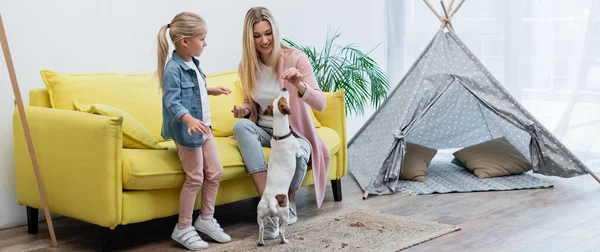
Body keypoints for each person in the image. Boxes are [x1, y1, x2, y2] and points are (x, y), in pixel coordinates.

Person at [231, 6, 331, 239]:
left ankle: (287, 199)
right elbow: (250, 103)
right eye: (257, 35)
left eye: (268, 33)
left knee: (300, 152)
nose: (264, 40)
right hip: (265, 130)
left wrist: (300, 84)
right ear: (249, 38)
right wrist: (244, 110)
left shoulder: (296, 58)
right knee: (240, 127)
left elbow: (320, 104)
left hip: (293, 133)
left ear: (275, 31)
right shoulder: (246, 66)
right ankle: (270, 205)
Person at [157, 12, 232, 250]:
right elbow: (173, 101)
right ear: (184, 41)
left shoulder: (193, 63)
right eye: (202, 39)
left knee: (216, 172)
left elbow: (194, 90)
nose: (205, 43)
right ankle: (183, 226)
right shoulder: (173, 69)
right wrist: (188, 120)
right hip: (188, 131)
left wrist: (211, 90)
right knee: (195, 177)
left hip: (204, 128)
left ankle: (206, 219)